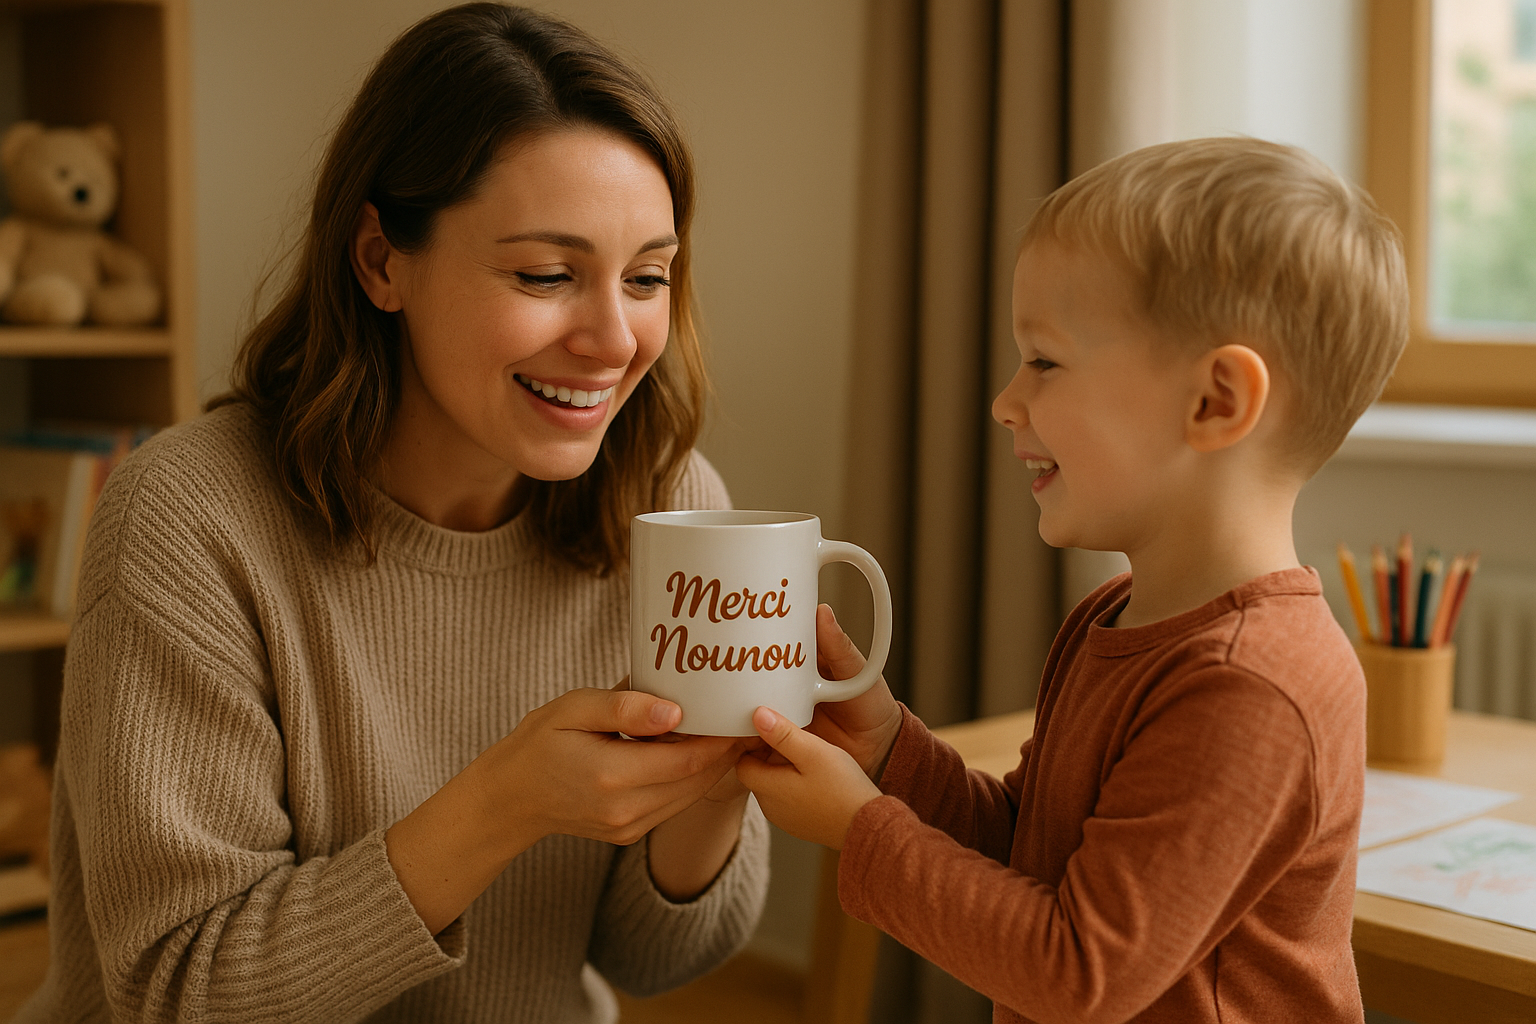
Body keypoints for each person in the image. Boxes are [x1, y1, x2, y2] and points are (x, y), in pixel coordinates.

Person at [19, 5, 768, 1022]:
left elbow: (655, 955)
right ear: (381, 260)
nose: (615, 339)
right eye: (546, 275)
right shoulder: (190, 518)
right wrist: (503, 803)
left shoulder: (674, 508)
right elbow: (182, 990)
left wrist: (721, 775)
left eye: (646, 278)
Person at [737, 137, 1409, 1023]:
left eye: (1044, 362)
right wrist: (889, 751)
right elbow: (1031, 855)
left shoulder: (1254, 683)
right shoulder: (1114, 616)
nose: (1004, 401)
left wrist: (861, 826)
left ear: (1215, 401)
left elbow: (1077, 972)